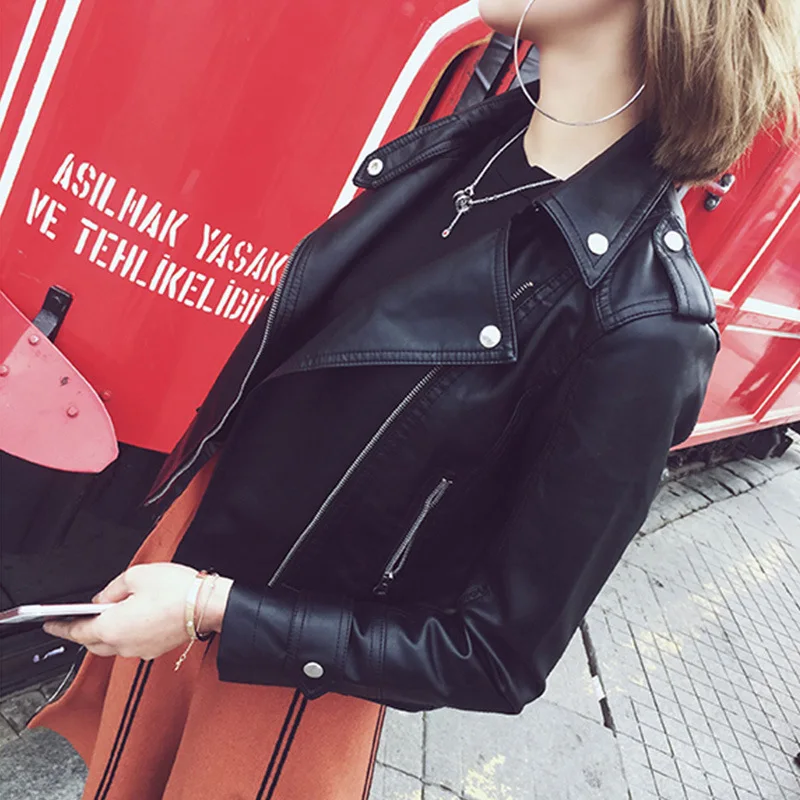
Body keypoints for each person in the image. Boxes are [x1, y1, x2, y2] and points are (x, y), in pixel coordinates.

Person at [33, 1, 800, 797]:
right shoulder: (468, 148)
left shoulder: (646, 326)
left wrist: (210, 607)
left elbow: (497, 657)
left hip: (267, 682)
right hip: (184, 578)